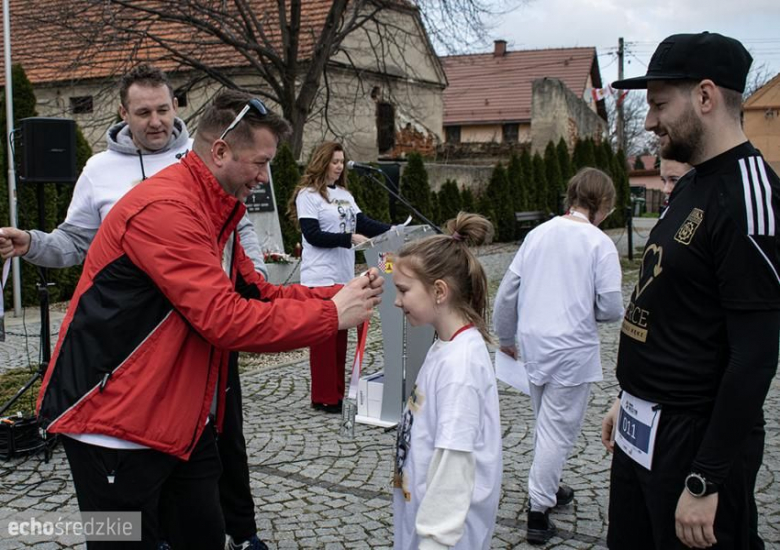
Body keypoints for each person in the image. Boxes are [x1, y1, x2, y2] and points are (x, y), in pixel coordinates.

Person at [35, 89, 384, 549]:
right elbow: (225, 320)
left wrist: (337, 293)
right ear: (219, 151)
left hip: (179, 417)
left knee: (203, 535)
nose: (264, 177)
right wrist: (330, 315)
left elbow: (255, 292)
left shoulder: (211, 208)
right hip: (114, 420)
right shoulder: (167, 210)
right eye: (259, 163)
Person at [0, 64, 270, 550]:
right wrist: (32, 244)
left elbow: (236, 224)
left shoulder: (207, 154)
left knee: (221, 439)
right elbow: (76, 241)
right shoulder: (99, 170)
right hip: (128, 351)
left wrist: (256, 284)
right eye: (143, 112)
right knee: (131, 499)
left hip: (200, 333)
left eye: (164, 109)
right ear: (123, 113)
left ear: (177, 108)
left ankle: (242, 531)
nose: (155, 121)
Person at [603, 32, 780, 549]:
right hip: (642, 427)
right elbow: (665, 299)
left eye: (659, 104)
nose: (650, 120)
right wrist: (629, 395)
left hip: (693, 440)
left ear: (705, 97)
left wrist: (706, 479)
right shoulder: (693, 182)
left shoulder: (749, 194)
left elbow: (754, 357)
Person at [493, 168, 624, 544]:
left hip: (534, 341)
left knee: (546, 422)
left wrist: (506, 335)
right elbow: (613, 307)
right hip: (572, 346)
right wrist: (586, 308)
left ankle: (547, 485)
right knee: (557, 430)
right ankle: (538, 509)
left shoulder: (538, 234)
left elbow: (508, 292)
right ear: (602, 205)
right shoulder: (599, 244)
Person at [391, 212, 502, 550]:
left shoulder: (460, 367)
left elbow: (454, 464)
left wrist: (434, 541)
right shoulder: (446, 346)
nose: (396, 301)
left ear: (439, 291)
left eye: (403, 290)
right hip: (422, 519)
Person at [287, 142, 392, 413]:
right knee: (323, 339)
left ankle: (336, 394)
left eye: (342, 161)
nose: (339, 166)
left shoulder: (344, 194)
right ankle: (323, 397)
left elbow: (364, 223)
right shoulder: (308, 195)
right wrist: (348, 239)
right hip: (320, 277)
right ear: (322, 162)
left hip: (343, 276)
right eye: (334, 161)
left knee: (340, 338)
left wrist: (394, 231)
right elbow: (312, 234)